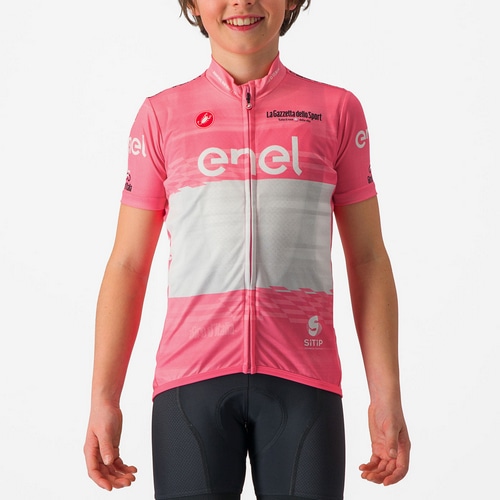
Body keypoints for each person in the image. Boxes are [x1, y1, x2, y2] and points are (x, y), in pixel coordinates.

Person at [84, 1, 410, 498]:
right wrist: (103, 399)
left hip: (305, 380)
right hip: (189, 385)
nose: (242, 2)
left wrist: (385, 395)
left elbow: (367, 259)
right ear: (192, 4)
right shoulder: (161, 116)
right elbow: (128, 264)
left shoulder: (335, 110)